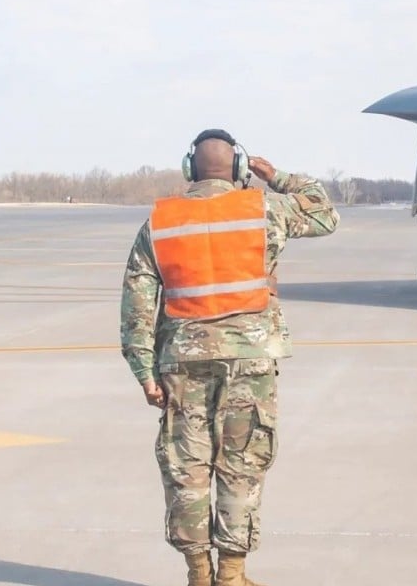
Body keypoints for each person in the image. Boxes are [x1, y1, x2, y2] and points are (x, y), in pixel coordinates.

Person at [119, 129, 339, 586]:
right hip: (250, 360)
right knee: (242, 463)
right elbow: (324, 213)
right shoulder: (265, 209)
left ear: (189, 169)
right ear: (238, 168)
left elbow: (136, 307)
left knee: (188, 467)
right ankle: (233, 576)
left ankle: (199, 575)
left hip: (182, 362)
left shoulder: (160, 222)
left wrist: (144, 372)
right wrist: (275, 175)